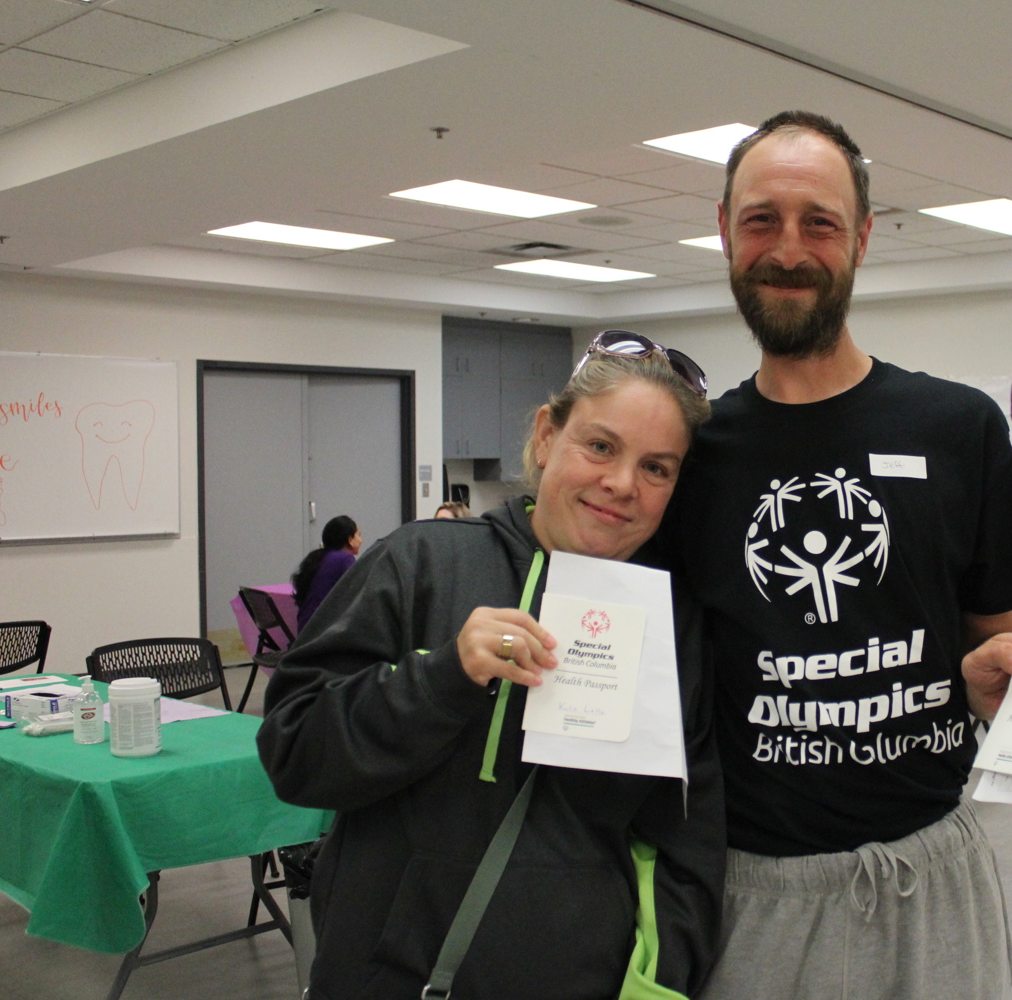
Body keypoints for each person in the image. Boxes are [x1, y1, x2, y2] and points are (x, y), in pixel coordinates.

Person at [665, 110, 1012, 1000]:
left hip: (932, 881)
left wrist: (1002, 686)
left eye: (819, 223)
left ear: (863, 239)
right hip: (755, 896)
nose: (788, 249)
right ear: (724, 230)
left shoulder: (958, 430)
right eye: (762, 219)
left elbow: (1000, 644)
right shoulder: (694, 456)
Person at [256, 336, 723, 1000]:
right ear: (544, 436)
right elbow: (295, 749)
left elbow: (690, 838)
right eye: (600, 446)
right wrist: (440, 678)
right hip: (392, 978)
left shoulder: (669, 624)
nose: (622, 483)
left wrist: (665, 978)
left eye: (657, 468)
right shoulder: (421, 564)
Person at [292, 515, 361, 630]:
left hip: (305, 630)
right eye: (358, 535)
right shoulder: (344, 559)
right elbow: (358, 593)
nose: (361, 540)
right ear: (350, 539)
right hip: (323, 634)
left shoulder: (318, 557)